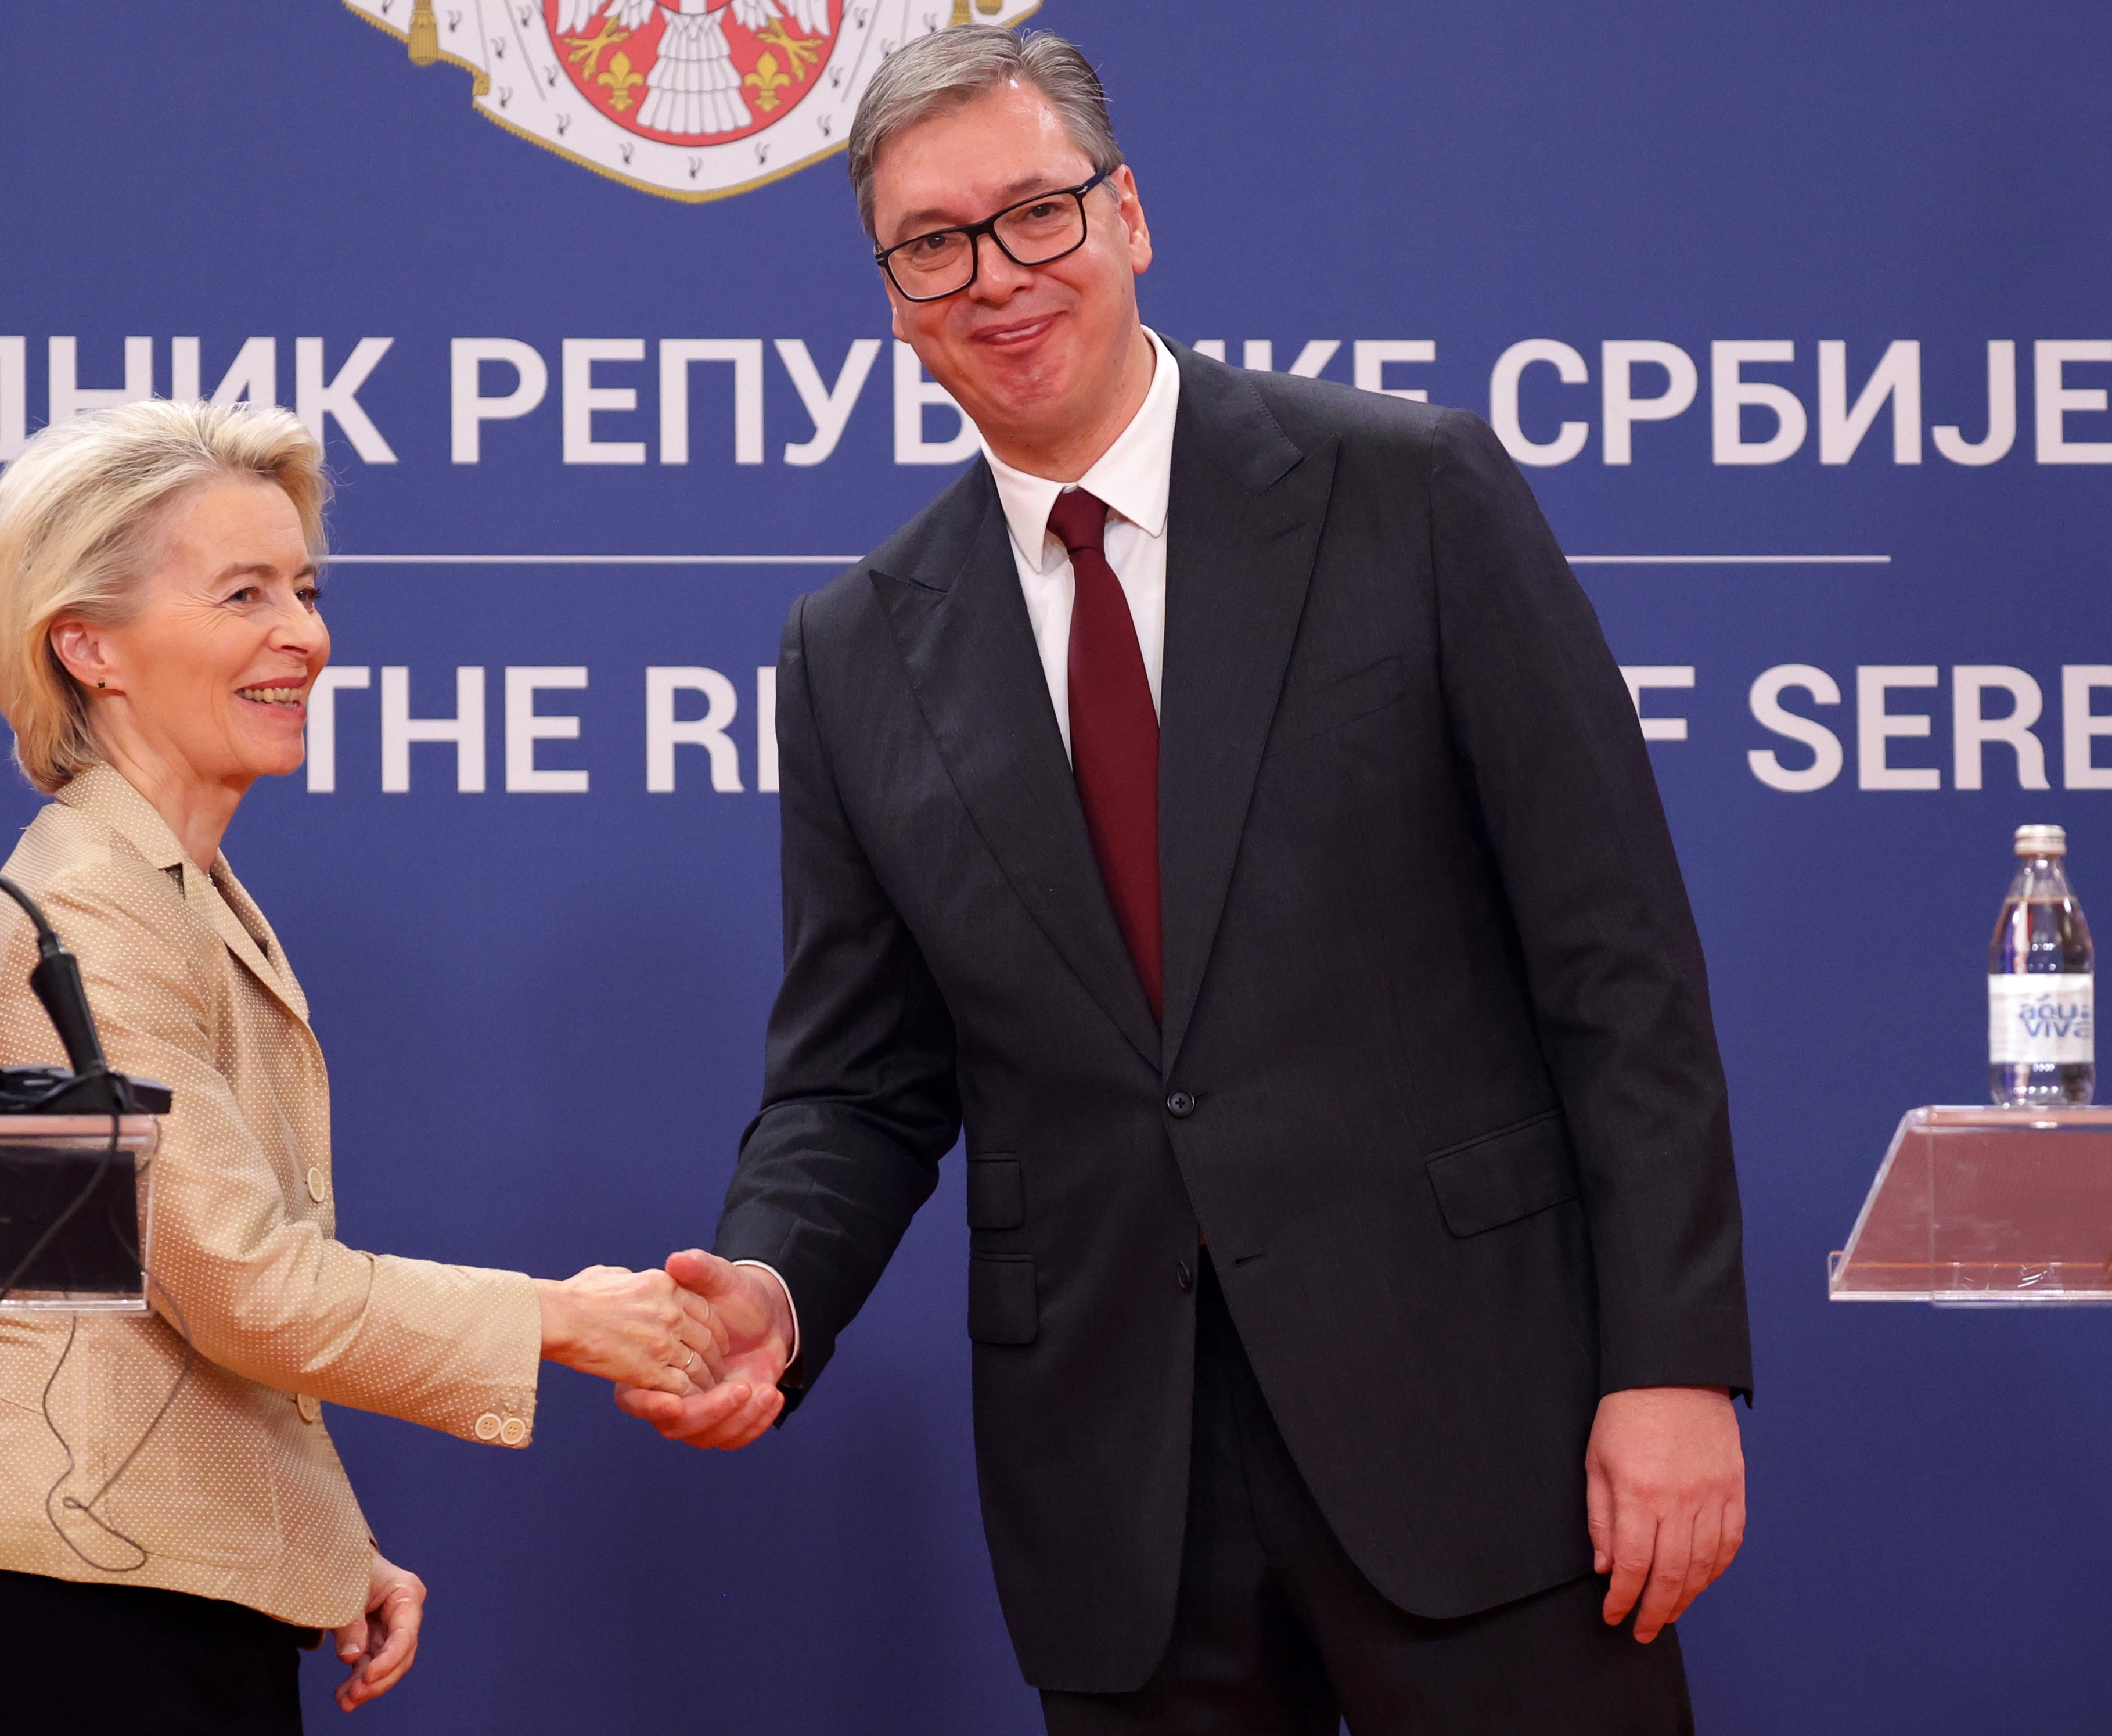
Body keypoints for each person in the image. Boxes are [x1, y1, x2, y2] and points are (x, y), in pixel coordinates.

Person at [618, 25, 1751, 1735]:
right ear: (891, 296)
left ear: (1129, 213)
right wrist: (772, 1283)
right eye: (934, 243)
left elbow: (1619, 965)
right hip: (1120, 1504)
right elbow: (855, 1081)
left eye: (1036, 214)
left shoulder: (1409, 492)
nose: (994, 276)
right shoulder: (850, 649)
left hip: (1482, 1432)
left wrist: (1670, 1361)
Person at [0, 398, 724, 1735]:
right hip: (66, 1627)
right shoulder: (87, 912)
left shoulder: (173, 890)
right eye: (242, 593)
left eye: (305, 588)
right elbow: (242, 1286)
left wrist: (313, 1543)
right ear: (87, 644)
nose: (305, 634)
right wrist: (557, 1317)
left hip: (144, 1591)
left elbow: (147, 1315)